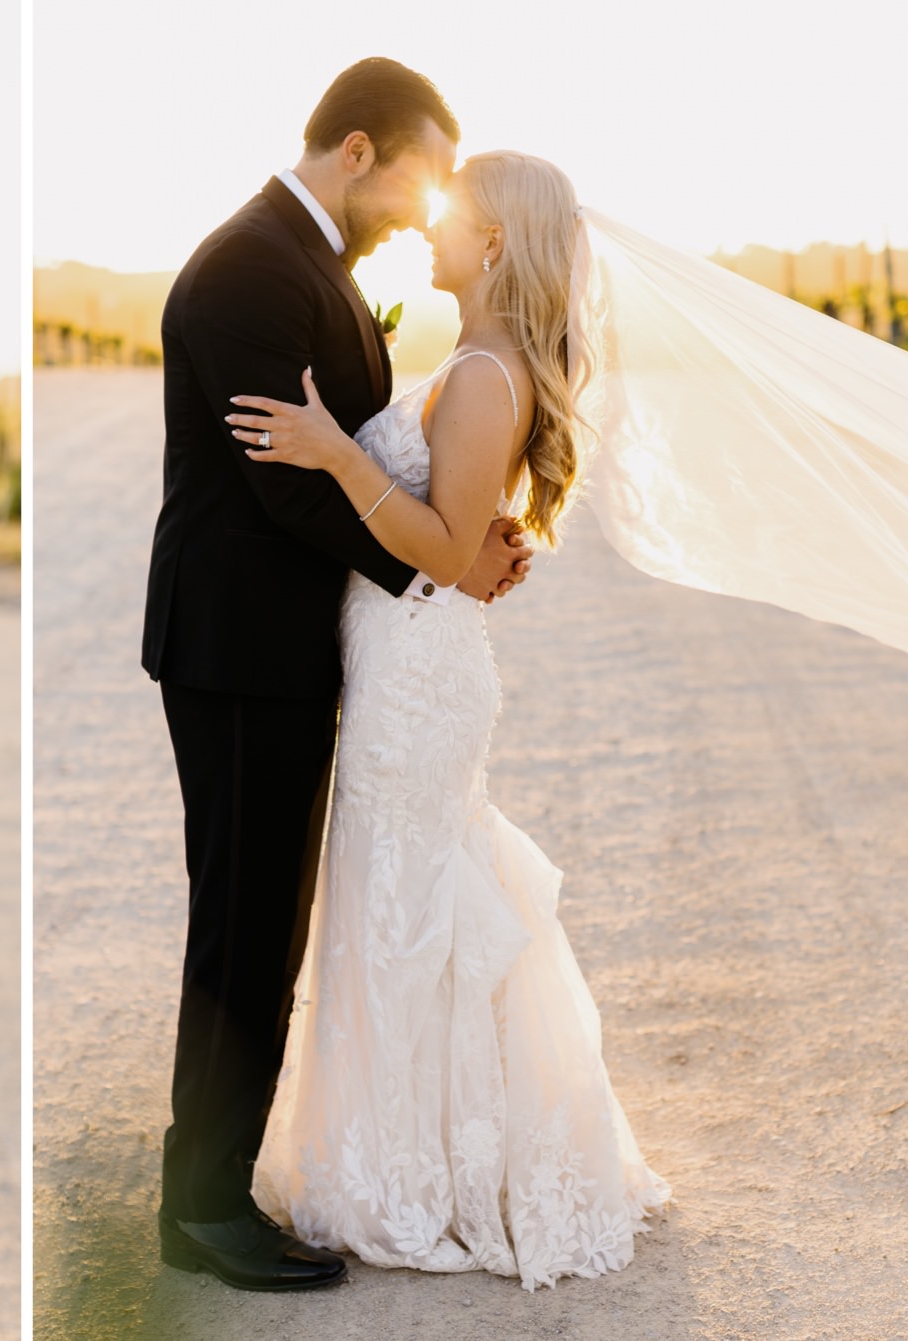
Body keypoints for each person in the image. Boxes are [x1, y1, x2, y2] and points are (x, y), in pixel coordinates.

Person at [229, 151, 670, 1289]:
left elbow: (432, 548)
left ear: (496, 244)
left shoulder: (482, 371)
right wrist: (467, 533)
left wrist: (332, 450)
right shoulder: (478, 360)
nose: (432, 228)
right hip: (405, 667)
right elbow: (457, 530)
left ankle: (417, 1176)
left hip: (418, 680)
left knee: (404, 911)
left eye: (452, 217)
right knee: (401, 903)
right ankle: (402, 1152)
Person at [140, 57, 530, 1291]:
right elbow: (282, 479)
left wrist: (459, 533)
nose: (424, 211)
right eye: (416, 179)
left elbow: (353, 456)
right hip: (240, 646)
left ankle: (212, 1178)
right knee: (247, 924)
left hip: (281, 639)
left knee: (263, 918)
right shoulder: (254, 266)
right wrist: (442, 564)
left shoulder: (305, 261)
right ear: (356, 151)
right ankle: (201, 1208)